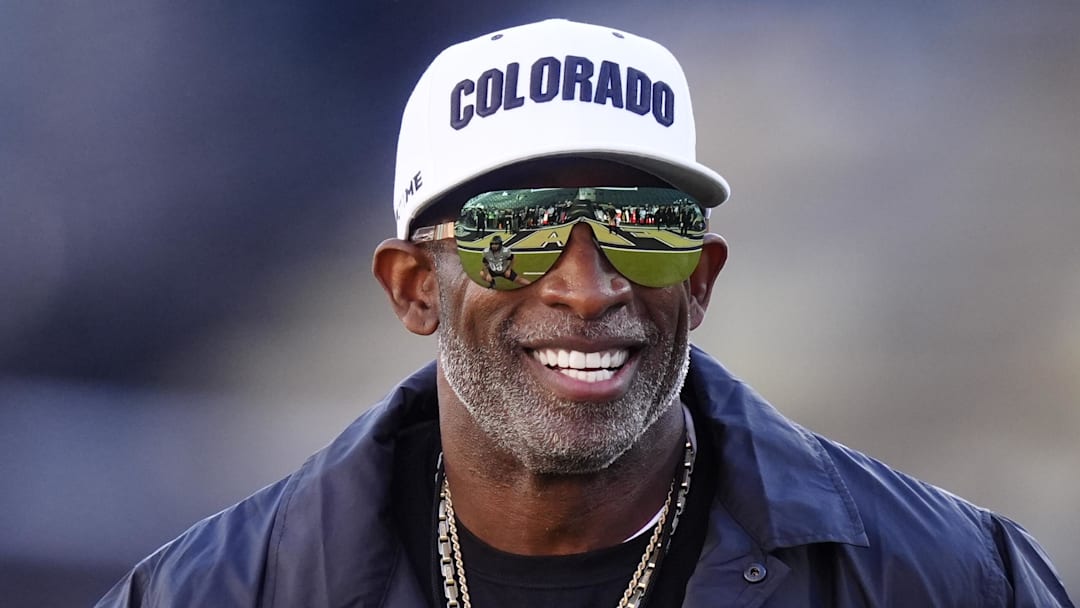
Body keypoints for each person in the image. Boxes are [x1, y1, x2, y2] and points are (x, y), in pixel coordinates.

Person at [97, 18, 1073, 608]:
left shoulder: (945, 576)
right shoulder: (215, 590)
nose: (586, 285)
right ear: (411, 288)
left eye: (643, 226)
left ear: (701, 277)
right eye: (514, 229)